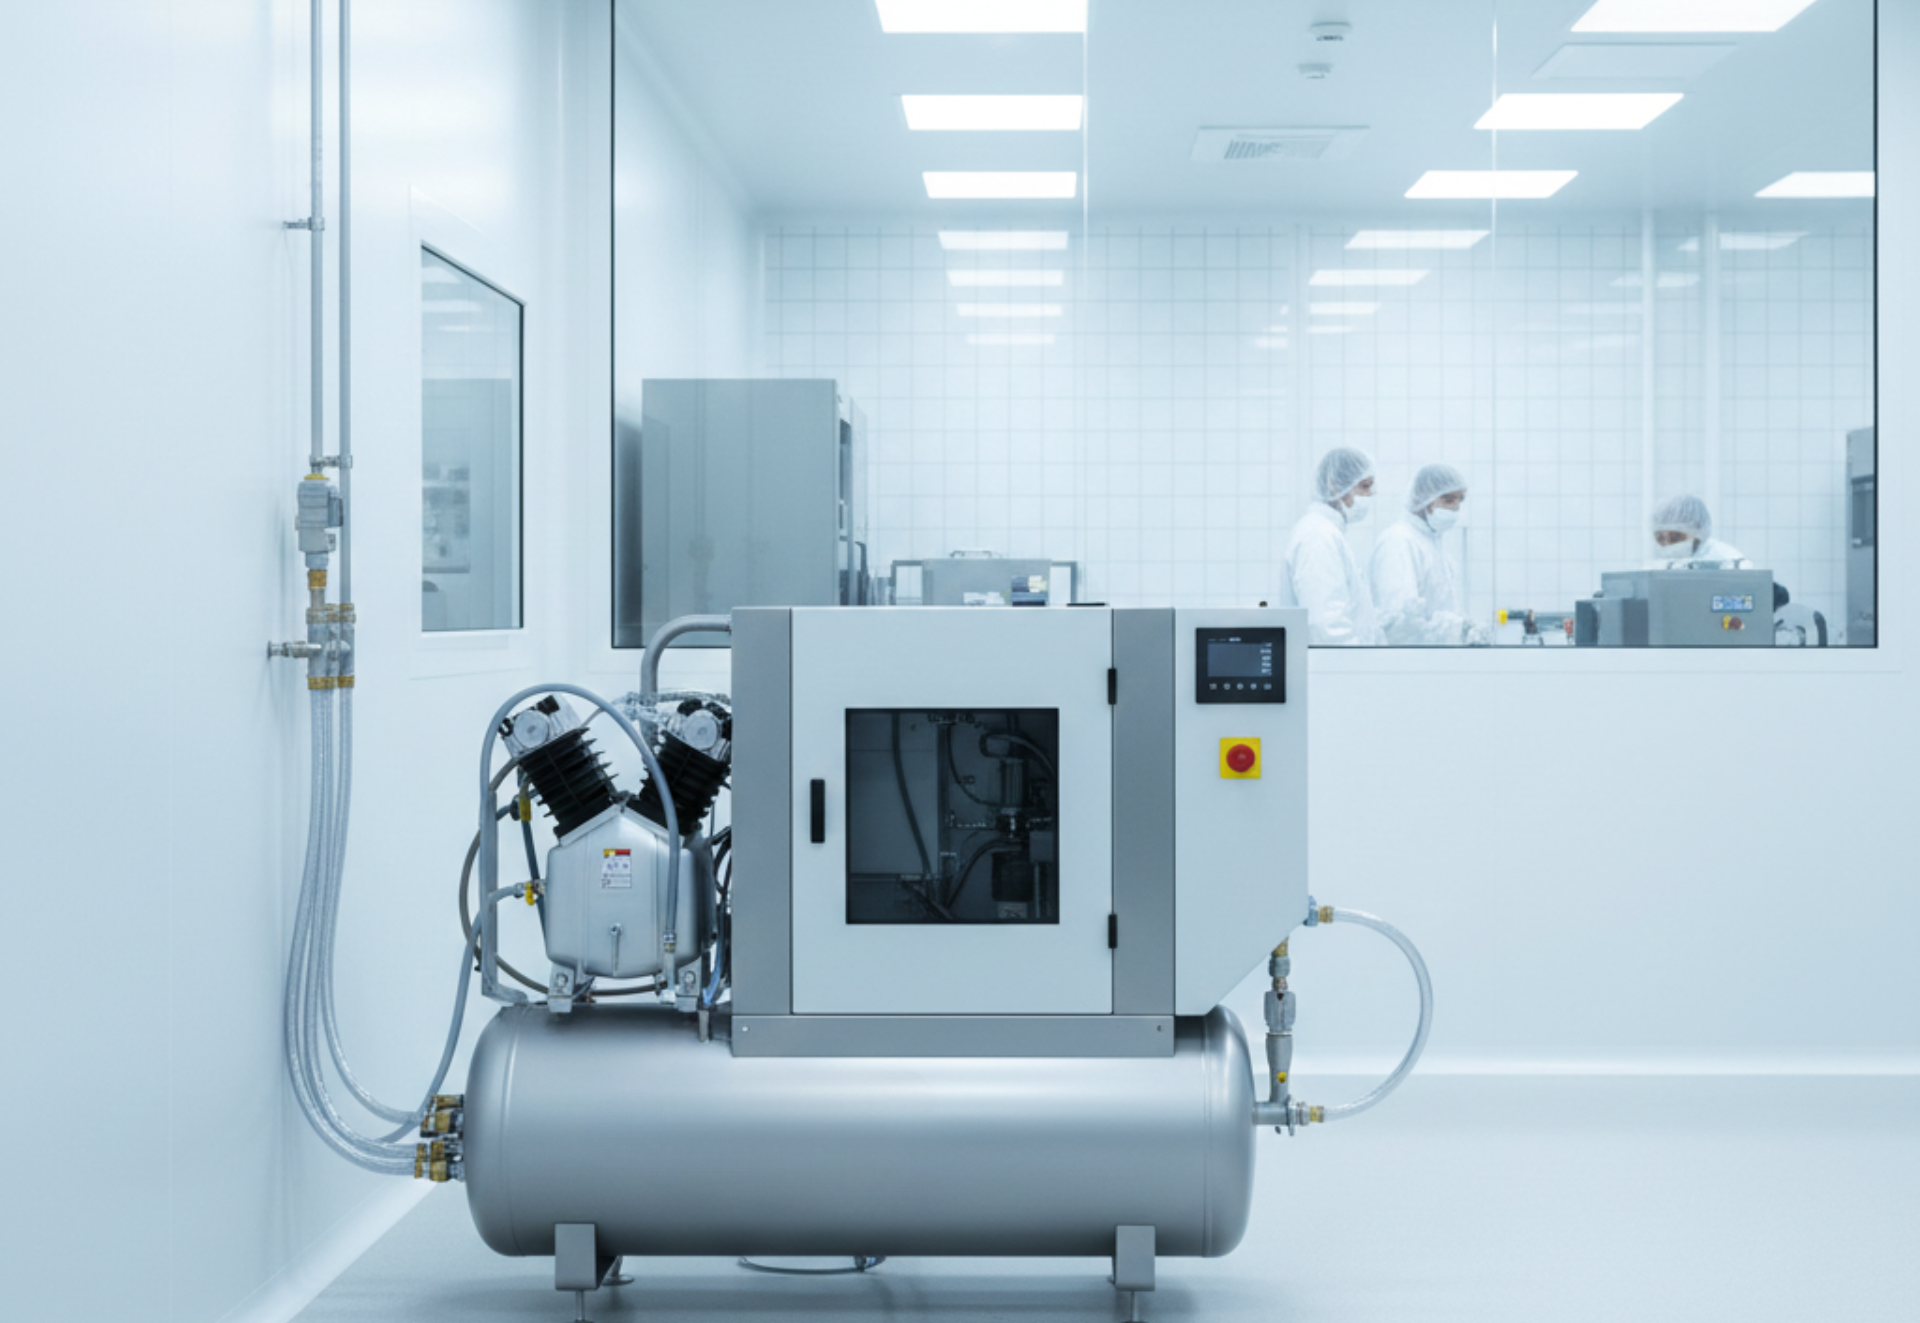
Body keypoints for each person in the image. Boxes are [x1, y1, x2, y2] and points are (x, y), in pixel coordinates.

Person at [1370, 462, 1489, 646]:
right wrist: (1458, 632)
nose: (1455, 508)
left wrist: (1463, 629)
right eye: (1448, 500)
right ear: (1424, 499)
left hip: (1435, 660)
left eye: (1459, 501)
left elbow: (1444, 608)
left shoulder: (1436, 544)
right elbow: (1399, 624)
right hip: (1410, 664)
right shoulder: (1399, 541)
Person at [1276, 446, 1384, 646]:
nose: (1370, 495)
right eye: (1365, 486)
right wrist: (1365, 671)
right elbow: (1327, 628)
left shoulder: (1328, 532)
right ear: (1335, 485)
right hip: (1338, 670)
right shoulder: (1318, 537)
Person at [1648, 494, 1750, 568]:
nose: (1668, 545)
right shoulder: (1657, 567)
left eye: (1676, 537)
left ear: (1698, 532)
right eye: (1660, 538)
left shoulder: (1731, 563)